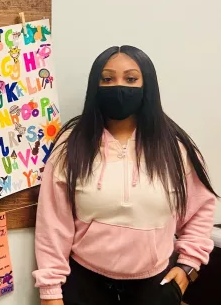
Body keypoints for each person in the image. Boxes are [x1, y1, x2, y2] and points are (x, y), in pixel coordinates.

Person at [33, 46, 218, 305]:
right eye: (107, 79)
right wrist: (50, 293)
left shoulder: (177, 148)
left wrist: (189, 266)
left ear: (148, 85)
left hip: (154, 287)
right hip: (83, 286)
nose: (119, 87)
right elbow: (52, 225)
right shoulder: (71, 144)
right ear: (95, 86)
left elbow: (201, 211)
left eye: (131, 79)